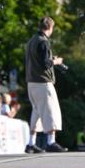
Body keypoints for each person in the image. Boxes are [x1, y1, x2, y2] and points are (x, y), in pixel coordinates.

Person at [24, 16, 67, 153]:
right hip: (43, 83)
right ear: (50, 27)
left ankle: (31, 143)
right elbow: (44, 64)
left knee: (36, 112)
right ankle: (51, 142)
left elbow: (38, 61)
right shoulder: (43, 42)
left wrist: (49, 60)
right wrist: (56, 62)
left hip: (31, 82)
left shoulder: (31, 41)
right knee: (51, 111)